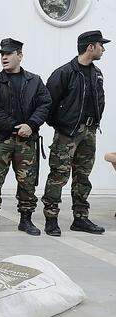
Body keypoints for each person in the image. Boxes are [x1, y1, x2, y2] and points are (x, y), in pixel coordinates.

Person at [0, 38, 52, 235]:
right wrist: (15, 126)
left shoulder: (34, 80)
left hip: (27, 141)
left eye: (9, 53)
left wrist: (31, 125)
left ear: (20, 56)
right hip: (0, 140)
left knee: (27, 182)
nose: (4, 57)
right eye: (2, 54)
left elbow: (45, 104)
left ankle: (26, 220)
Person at [42, 30, 110, 236]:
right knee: (58, 175)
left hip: (90, 132)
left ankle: (80, 218)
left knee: (83, 176)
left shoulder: (97, 73)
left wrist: (93, 123)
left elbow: (100, 100)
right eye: (100, 45)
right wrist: (62, 126)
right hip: (67, 133)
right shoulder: (64, 72)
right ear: (90, 47)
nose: (103, 48)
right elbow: (48, 104)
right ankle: (51, 219)